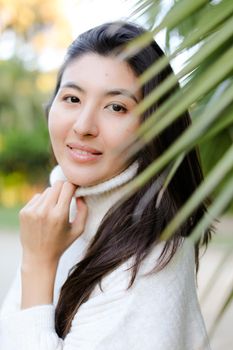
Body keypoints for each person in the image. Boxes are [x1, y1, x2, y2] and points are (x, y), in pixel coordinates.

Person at [0, 21, 212, 349]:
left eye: (116, 107)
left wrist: (38, 265)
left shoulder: (151, 260)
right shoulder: (61, 211)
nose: (83, 126)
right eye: (71, 98)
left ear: (153, 128)